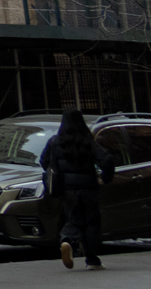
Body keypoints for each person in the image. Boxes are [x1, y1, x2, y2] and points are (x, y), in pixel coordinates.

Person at [43, 109, 117, 269]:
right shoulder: (87, 141)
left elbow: (44, 161)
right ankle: (92, 260)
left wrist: (58, 173)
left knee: (73, 219)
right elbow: (107, 159)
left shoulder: (54, 141)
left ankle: (67, 240)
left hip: (68, 190)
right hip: (89, 189)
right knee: (91, 222)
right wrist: (105, 177)